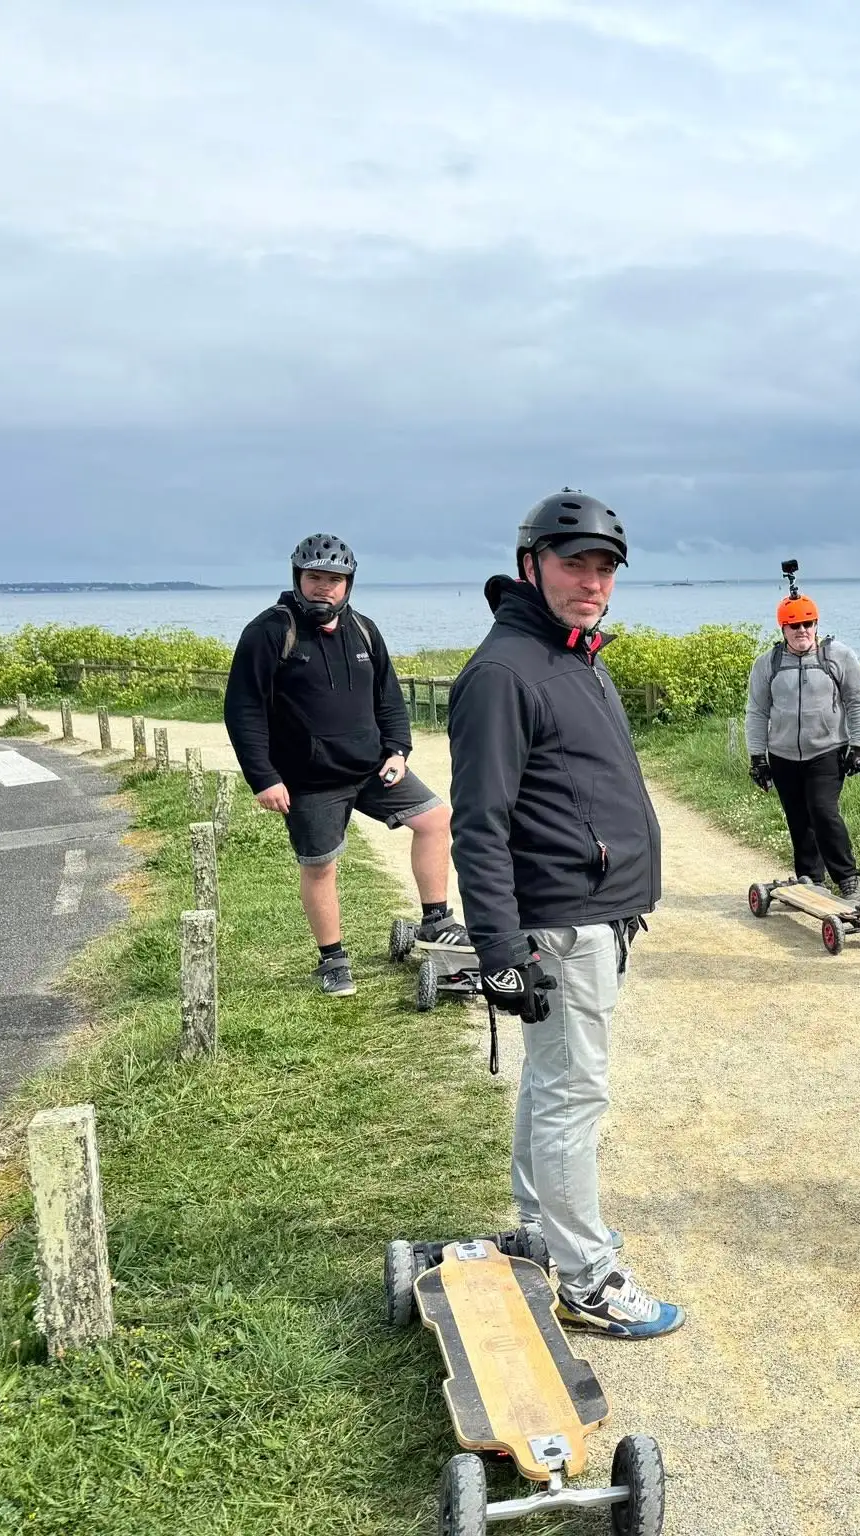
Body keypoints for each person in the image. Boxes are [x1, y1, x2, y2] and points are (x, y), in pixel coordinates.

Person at [448, 489, 683, 1340]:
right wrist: (501, 948)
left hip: (595, 915)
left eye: (604, 567)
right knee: (574, 1094)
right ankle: (587, 1278)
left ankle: (544, 1231)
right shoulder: (505, 672)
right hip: (559, 921)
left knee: (553, 1084)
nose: (592, 581)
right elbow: (479, 821)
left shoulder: (574, 655)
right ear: (529, 566)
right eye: (573, 563)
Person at [223, 533, 462, 997]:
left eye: (334, 579)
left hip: (372, 769)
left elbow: (388, 698)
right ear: (298, 579)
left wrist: (398, 750)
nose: (324, 588)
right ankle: (332, 960)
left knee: (436, 819)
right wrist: (264, 778)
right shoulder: (270, 631)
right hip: (308, 781)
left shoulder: (365, 631)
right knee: (320, 867)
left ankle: (436, 921)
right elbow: (243, 709)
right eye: (315, 578)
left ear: (348, 584)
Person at [744, 577, 860, 902]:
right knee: (798, 817)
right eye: (794, 625)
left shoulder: (838, 657)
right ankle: (809, 877)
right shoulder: (768, 664)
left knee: (822, 811)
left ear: (816, 624)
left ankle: (847, 877)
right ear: (783, 629)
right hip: (783, 755)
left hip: (827, 752)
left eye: (807, 624)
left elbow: (858, 701)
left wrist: (859, 745)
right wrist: (757, 757)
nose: (801, 630)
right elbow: (757, 712)